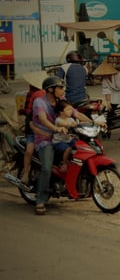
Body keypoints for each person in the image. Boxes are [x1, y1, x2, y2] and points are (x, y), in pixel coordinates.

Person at [31, 77, 91, 215]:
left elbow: (76, 113)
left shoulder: (61, 100)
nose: (63, 90)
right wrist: (55, 128)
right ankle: (40, 199)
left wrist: (93, 122)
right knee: (46, 167)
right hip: (45, 138)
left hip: (63, 138)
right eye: (60, 88)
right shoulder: (39, 102)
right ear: (51, 89)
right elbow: (42, 119)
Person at [18, 71, 48, 188]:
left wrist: (21, 111)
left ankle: (25, 173)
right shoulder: (48, 93)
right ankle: (25, 174)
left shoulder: (32, 94)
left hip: (39, 128)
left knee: (29, 150)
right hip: (37, 127)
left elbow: (27, 111)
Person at [94, 61, 120, 139]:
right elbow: (107, 91)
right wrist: (108, 102)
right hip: (117, 94)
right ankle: (108, 130)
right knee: (110, 110)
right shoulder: (105, 80)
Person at [53, 99, 79, 172]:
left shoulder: (70, 119)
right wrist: (73, 124)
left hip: (68, 139)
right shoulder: (58, 120)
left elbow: (75, 125)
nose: (70, 111)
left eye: (71, 109)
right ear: (61, 112)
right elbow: (64, 124)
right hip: (59, 141)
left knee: (79, 144)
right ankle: (64, 163)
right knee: (68, 149)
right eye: (68, 110)